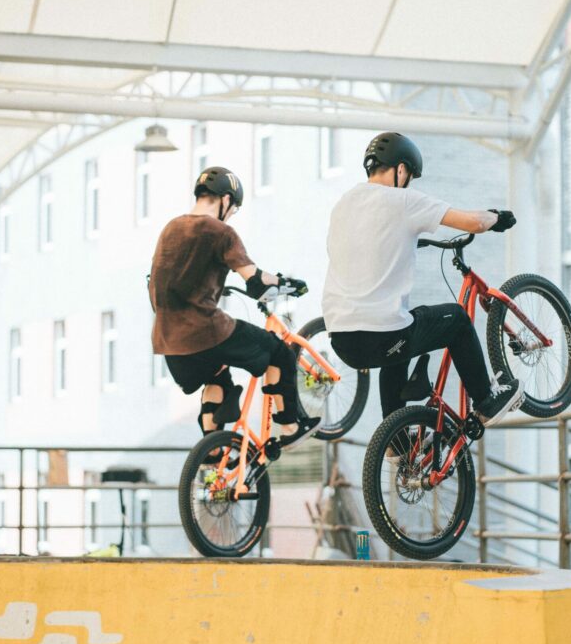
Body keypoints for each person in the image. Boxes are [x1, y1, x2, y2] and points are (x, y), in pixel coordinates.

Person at [322, 132, 523, 430]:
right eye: (409, 176)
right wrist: (496, 217)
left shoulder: (343, 204)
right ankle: (486, 402)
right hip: (381, 336)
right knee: (454, 318)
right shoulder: (401, 200)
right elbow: (473, 222)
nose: (408, 182)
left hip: (342, 340)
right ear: (400, 169)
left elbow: (359, 245)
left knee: (399, 337)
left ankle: (396, 442)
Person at [149, 166, 320, 451]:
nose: (231, 215)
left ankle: (212, 451)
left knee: (217, 376)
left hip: (168, 343)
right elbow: (256, 280)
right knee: (279, 353)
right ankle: (290, 427)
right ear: (226, 200)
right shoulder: (220, 232)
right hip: (205, 331)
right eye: (233, 209)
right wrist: (284, 282)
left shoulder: (170, 228)